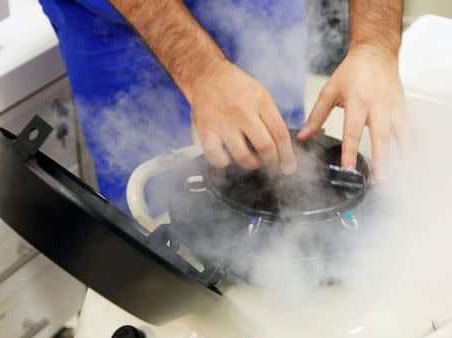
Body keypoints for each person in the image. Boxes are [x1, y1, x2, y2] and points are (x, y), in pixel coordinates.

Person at [39, 0, 406, 212]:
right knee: (153, 203)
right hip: (119, 14)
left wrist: (374, 42)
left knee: (279, 164)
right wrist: (201, 70)